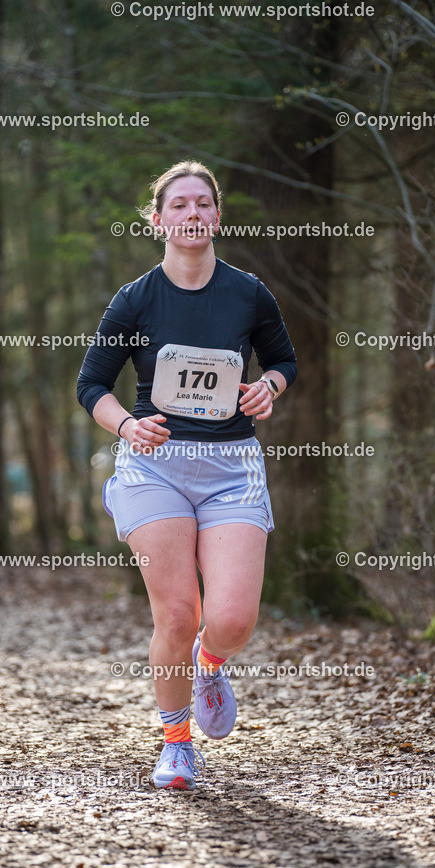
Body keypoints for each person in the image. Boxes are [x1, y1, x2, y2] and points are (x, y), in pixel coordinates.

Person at [77, 160, 296, 790]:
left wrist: (268, 386)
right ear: (158, 220)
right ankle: (176, 746)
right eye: (179, 204)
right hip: (155, 468)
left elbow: (283, 361)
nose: (192, 213)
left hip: (231, 468)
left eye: (203, 203)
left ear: (217, 217)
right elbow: (92, 385)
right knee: (176, 614)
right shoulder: (135, 299)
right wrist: (127, 426)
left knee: (232, 619)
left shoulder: (248, 293)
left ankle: (210, 663)